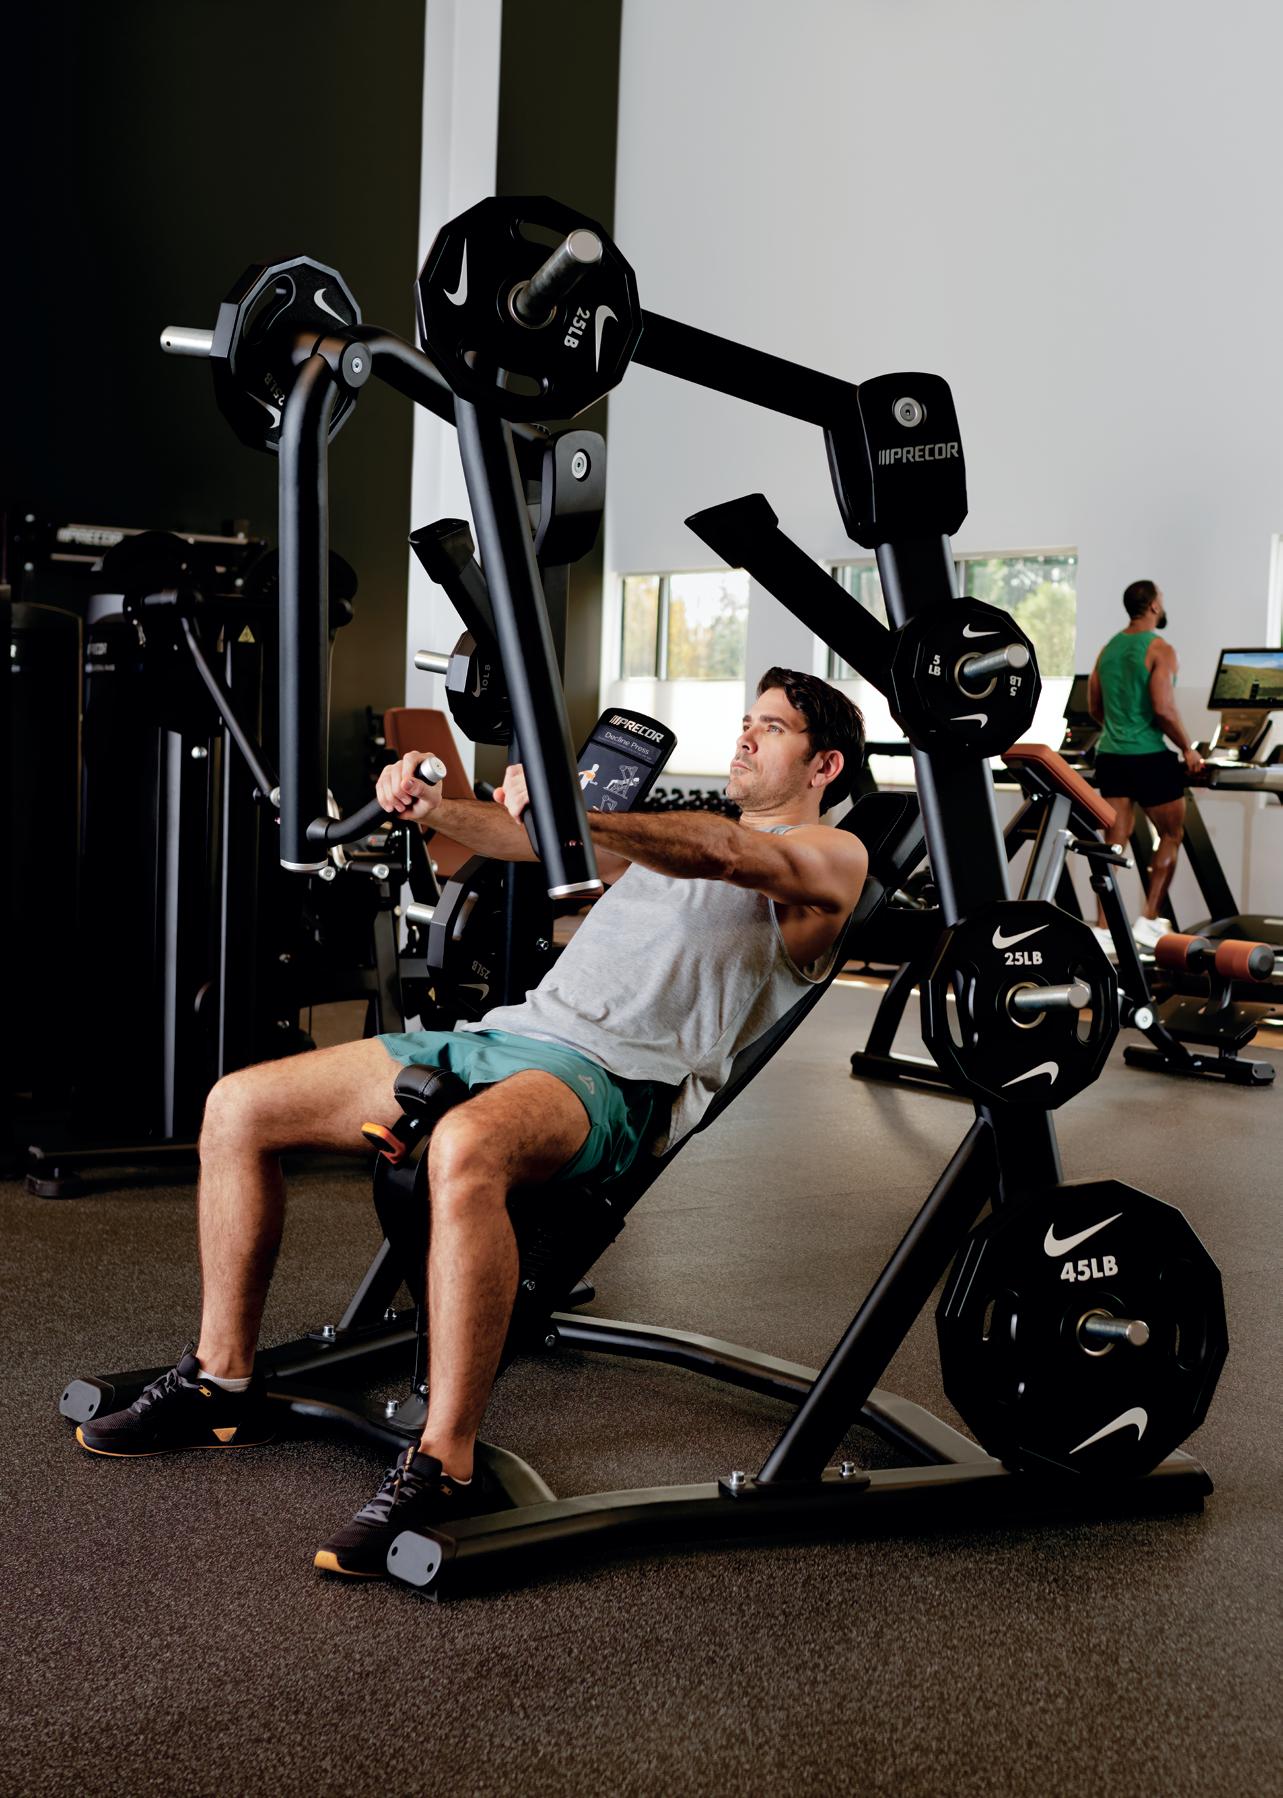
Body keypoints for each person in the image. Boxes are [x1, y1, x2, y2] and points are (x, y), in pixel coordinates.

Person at [74, 668, 868, 1578]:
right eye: (744, 721)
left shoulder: (830, 857)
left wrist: (574, 815)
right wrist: (433, 807)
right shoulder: (662, 842)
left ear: (824, 765)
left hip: (615, 1079)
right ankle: (222, 1379)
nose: (743, 737)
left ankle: (444, 1462)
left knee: (462, 1148)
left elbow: (726, 854)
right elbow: (520, 839)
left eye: (771, 728)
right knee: (237, 1106)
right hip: (507, 1036)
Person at [1088, 580, 1204, 950]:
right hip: (1149, 757)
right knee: (1170, 834)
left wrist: (1119, 732)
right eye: (1161, 599)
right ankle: (1149, 920)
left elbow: (1095, 706)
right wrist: (1188, 749)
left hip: (1111, 756)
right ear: (1153, 605)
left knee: (1114, 842)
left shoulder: (1107, 649)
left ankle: (1104, 927)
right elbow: (1163, 708)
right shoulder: (1160, 648)